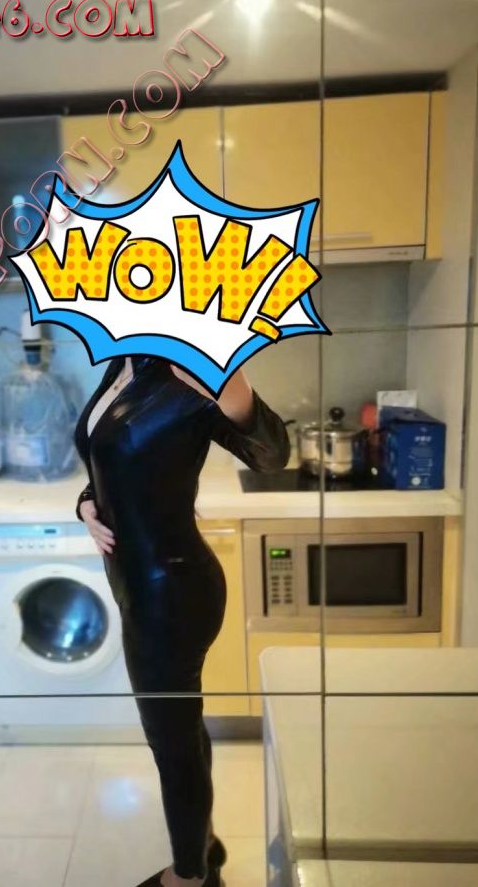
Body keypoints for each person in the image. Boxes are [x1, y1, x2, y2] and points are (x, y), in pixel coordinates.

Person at [73, 354, 290, 887]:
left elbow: (272, 456)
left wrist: (234, 390)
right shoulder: (126, 365)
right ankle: (204, 846)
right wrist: (86, 505)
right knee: (182, 731)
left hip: (170, 594)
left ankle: (189, 877)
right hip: (138, 587)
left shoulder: (187, 376)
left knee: (171, 746)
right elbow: (111, 459)